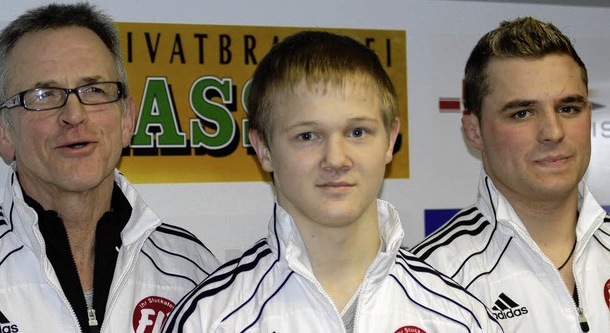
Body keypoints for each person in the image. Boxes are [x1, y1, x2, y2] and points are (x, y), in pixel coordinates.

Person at [161, 30, 502, 333]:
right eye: (308, 135)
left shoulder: (461, 318)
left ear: (390, 139)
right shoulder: (206, 320)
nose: (336, 159)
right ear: (263, 149)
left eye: (357, 132)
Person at [0, 3, 219, 333]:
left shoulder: (193, 272)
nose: (74, 115)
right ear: (2, 131)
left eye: (94, 90)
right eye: (43, 94)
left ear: (127, 119)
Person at [410, 17, 610, 333]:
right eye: (522, 113)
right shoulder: (428, 279)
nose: (553, 132)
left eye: (568, 108)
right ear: (474, 132)